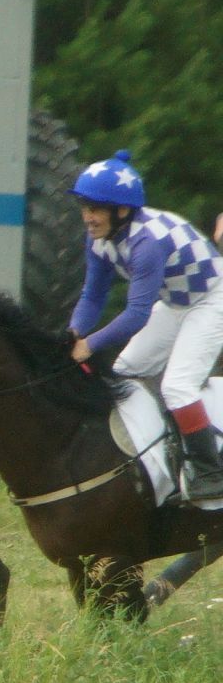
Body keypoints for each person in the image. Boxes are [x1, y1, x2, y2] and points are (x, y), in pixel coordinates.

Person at [69, 150, 223, 500]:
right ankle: (157, 457)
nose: (87, 217)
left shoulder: (145, 243)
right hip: (176, 303)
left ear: (121, 211)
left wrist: (90, 345)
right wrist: (74, 333)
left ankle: (210, 472)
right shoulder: (98, 238)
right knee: (124, 372)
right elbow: (93, 296)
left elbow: (137, 314)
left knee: (178, 387)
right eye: (84, 207)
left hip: (214, 299)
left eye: (94, 209)